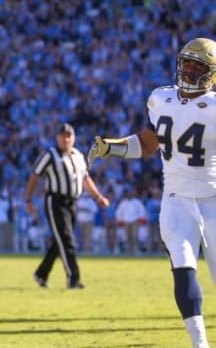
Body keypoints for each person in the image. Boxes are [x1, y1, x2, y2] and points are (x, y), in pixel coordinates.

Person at [87, 37, 216, 348]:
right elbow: (147, 144)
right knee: (183, 270)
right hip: (176, 201)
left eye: (196, 65)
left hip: (213, 200)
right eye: (185, 63)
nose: (187, 70)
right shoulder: (161, 98)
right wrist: (112, 148)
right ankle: (200, 345)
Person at [25, 123, 109, 289]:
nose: (66, 139)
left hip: (73, 202)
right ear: (57, 138)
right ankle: (73, 278)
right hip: (55, 201)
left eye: (69, 136)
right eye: (63, 136)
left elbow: (85, 179)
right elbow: (35, 176)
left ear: (74, 138)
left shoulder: (78, 155)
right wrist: (28, 200)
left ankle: (41, 274)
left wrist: (98, 197)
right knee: (67, 239)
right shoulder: (50, 155)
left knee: (60, 241)